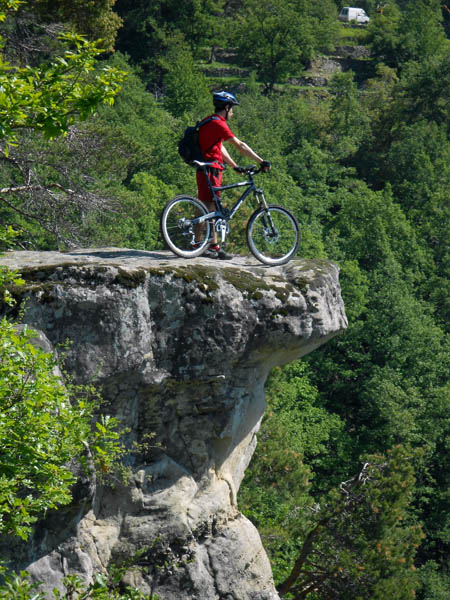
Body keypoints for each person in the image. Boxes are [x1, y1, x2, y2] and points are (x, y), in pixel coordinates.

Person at [196, 90, 271, 259]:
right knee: (208, 207)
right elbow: (240, 145)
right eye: (232, 109)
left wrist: (234, 166)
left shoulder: (208, 121)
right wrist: (261, 161)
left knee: (210, 206)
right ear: (227, 107)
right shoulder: (219, 123)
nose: (233, 112)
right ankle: (199, 244)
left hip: (206, 168)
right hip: (211, 169)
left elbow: (218, 147)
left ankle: (212, 246)